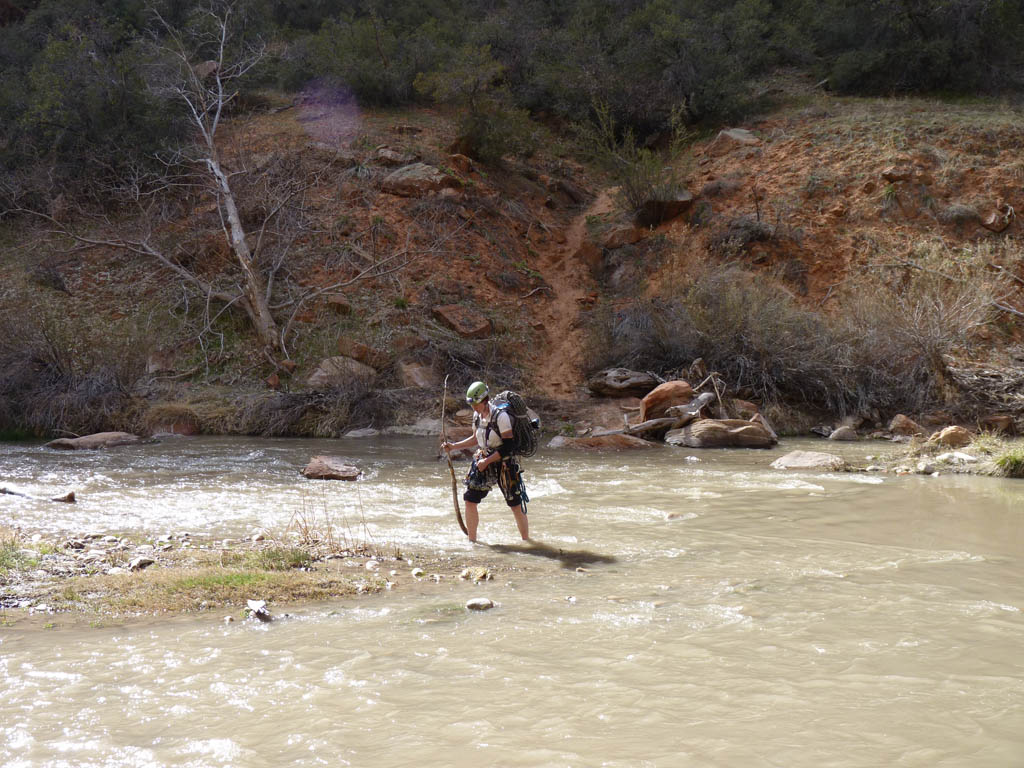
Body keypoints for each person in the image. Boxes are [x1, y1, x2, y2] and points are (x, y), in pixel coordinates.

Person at [441, 381, 529, 542]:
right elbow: (476, 438)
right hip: (483, 459)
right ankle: (472, 541)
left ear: (484, 400)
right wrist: (454, 446)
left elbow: (508, 446)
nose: (473, 407)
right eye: (472, 404)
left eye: (476, 403)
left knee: (515, 504)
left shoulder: (501, 417)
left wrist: (487, 461)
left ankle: (527, 541)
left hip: (504, 462)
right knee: (470, 499)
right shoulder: (477, 416)